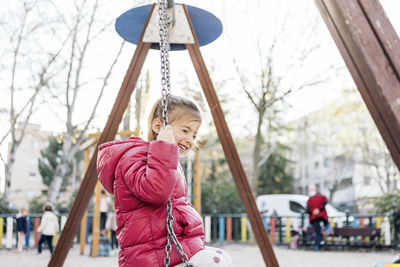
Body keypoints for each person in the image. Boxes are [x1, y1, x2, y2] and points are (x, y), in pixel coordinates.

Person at [97, 95, 233, 267]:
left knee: (223, 257)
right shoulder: (133, 157)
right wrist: (164, 149)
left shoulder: (168, 161)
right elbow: (156, 192)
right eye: (185, 130)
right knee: (214, 262)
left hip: (168, 247)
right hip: (150, 255)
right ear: (158, 126)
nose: (191, 140)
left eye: (194, 135)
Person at [306, 185, 329, 251]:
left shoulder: (310, 199)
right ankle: (326, 231)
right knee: (326, 224)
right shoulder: (322, 197)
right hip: (322, 215)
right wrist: (319, 209)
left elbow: (307, 209)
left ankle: (317, 246)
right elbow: (325, 203)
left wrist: (313, 211)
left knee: (317, 232)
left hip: (314, 217)